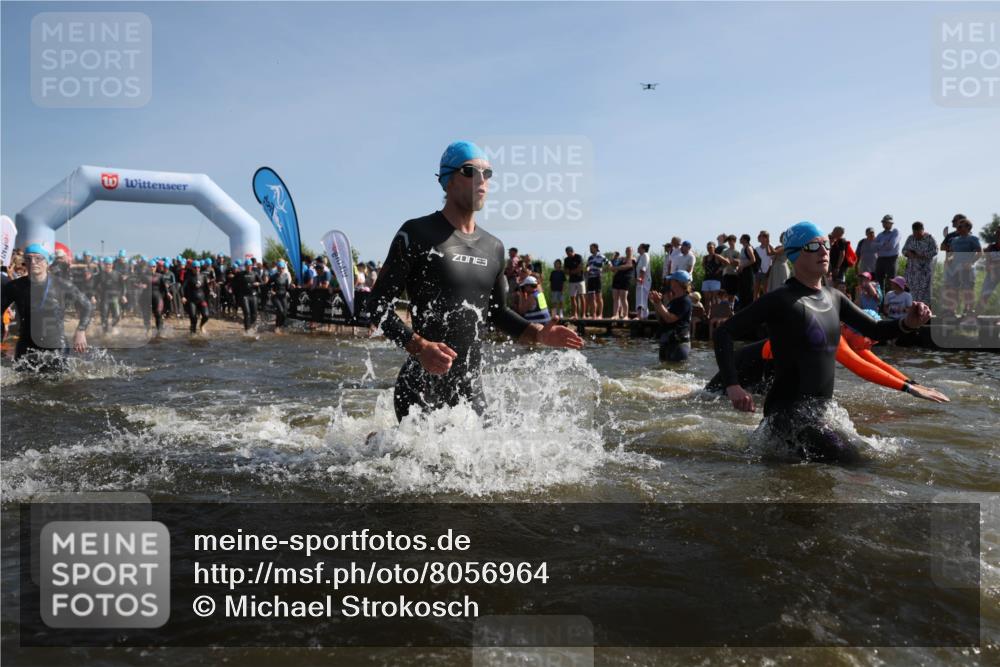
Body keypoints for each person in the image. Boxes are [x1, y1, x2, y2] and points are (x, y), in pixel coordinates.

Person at [365, 140, 584, 422]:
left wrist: (539, 334)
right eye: (470, 171)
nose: (482, 179)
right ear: (447, 181)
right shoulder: (417, 233)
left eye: (487, 173)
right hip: (420, 389)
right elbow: (377, 305)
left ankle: (379, 441)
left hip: (470, 389)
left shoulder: (494, 247)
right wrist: (420, 347)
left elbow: (497, 312)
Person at [714, 221, 933, 463]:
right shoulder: (780, 299)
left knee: (884, 457)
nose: (824, 251)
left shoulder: (834, 297)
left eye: (826, 245)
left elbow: (876, 330)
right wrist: (733, 385)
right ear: (794, 254)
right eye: (813, 246)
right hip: (787, 414)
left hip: (821, 412)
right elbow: (724, 332)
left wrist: (908, 322)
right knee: (854, 463)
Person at [706, 315, 948, 404]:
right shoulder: (833, 336)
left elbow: (876, 364)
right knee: (709, 400)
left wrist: (913, 383)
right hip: (745, 365)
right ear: (849, 329)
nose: (872, 344)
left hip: (770, 369)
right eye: (870, 339)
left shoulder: (852, 339)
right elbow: (860, 368)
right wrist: (908, 389)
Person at [1, 243, 91, 368]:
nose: (33, 262)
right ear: (25, 262)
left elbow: (87, 306)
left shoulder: (62, 285)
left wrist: (80, 331)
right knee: (21, 379)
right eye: (28, 258)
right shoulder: (14, 287)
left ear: (47, 262)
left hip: (56, 346)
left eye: (38, 258)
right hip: (26, 346)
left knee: (60, 379)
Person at [943, 217, 983, 319]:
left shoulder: (973, 239)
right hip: (955, 269)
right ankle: (952, 310)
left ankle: (969, 310)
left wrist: (971, 262)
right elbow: (952, 254)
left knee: (968, 290)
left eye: (961, 226)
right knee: (953, 289)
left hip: (967, 269)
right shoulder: (954, 240)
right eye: (958, 226)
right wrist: (949, 260)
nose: (958, 228)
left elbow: (980, 253)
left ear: (968, 228)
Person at [650, 270, 693, 362]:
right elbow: (662, 318)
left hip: (678, 344)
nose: (670, 283)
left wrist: (659, 303)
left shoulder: (685, 301)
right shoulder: (674, 301)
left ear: (677, 283)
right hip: (668, 342)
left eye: (672, 280)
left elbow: (670, 318)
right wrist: (656, 303)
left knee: (676, 369)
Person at [902, 221, 938, 304]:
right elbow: (903, 250)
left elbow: (935, 251)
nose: (916, 235)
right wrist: (908, 253)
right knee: (911, 294)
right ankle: (912, 309)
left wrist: (921, 255)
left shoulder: (930, 238)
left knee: (924, 295)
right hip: (911, 272)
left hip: (924, 272)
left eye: (918, 233)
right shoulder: (910, 238)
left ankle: (924, 310)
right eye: (914, 233)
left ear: (922, 230)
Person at [182, 260, 211, 334]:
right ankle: (193, 333)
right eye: (195, 267)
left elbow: (207, 289)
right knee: (193, 317)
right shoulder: (189, 277)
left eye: (198, 267)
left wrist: (209, 296)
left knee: (206, 316)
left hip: (202, 299)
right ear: (192, 268)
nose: (197, 269)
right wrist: (183, 296)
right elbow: (182, 288)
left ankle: (201, 326)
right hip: (192, 300)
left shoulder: (203, 276)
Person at [874, 214, 900, 294]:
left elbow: (891, 245)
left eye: (886, 222)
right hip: (880, 259)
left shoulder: (896, 232)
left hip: (891, 259)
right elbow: (873, 247)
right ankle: (880, 300)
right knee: (878, 282)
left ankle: (891, 300)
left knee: (891, 281)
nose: (884, 224)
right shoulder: (880, 235)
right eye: (883, 222)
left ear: (891, 223)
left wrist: (880, 245)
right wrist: (884, 243)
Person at [701, 241, 728, 312]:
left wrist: (720, 269)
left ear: (714, 248)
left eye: (710, 247)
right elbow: (703, 265)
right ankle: (707, 314)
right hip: (706, 279)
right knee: (706, 299)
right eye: (708, 247)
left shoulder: (717, 256)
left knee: (714, 298)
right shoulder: (705, 257)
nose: (709, 249)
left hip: (715, 279)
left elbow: (727, 262)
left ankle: (715, 314)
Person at [977, 235, 1000, 312]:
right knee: (985, 293)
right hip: (992, 272)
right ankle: (975, 314)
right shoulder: (991, 247)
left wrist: (993, 266)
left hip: (994, 269)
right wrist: (992, 270)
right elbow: (987, 263)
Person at [611, 247, 634, 319]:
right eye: (627, 251)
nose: (628, 252)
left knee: (623, 298)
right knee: (615, 298)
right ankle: (615, 315)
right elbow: (613, 268)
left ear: (632, 251)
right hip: (617, 279)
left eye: (629, 251)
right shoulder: (621, 259)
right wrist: (613, 265)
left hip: (625, 279)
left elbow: (627, 266)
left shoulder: (633, 259)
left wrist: (616, 268)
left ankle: (626, 315)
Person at [736, 234, 758, 311]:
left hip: (748, 272)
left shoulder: (748, 248)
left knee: (748, 291)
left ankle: (749, 310)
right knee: (742, 292)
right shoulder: (743, 248)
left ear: (745, 240)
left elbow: (753, 260)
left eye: (741, 238)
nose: (739, 239)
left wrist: (743, 266)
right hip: (742, 273)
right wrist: (739, 267)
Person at [585, 243, 607, 318]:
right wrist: (587, 269)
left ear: (595, 248)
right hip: (590, 278)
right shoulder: (590, 258)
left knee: (598, 297)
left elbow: (609, 264)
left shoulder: (601, 256)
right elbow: (587, 266)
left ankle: (600, 314)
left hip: (597, 278)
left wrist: (603, 270)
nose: (590, 249)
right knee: (592, 297)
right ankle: (594, 314)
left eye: (591, 248)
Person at [564, 246, 585, 319]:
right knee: (572, 298)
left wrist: (571, 272)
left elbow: (580, 268)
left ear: (572, 251)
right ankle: (575, 314)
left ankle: (583, 314)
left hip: (580, 280)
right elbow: (566, 271)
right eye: (566, 253)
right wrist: (574, 271)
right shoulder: (566, 259)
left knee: (582, 296)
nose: (567, 254)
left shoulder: (578, 257)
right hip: (572, 281)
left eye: (568, 253)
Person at [271, 259, 292, 332]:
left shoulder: (286, 276)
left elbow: (287, 287)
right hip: (275, 297)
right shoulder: (274, 276)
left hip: (283, 296)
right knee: (280, 310)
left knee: (284, 313)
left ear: (284, 268)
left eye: (282, 268)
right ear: (277, 268)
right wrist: (271, 291)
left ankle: (280, 326)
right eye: (279, 268)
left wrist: (292, 286)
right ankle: (277, 327)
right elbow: (267, 285)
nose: (281, 270)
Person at [755, 231, 773, 300]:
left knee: (766, 292)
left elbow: (773, 261)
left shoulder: (771, 247)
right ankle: (756, 305)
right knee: (756, 292)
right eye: (759, 236)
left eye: (761, 236)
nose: (759, 237)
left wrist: (768, 271)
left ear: (766, 238)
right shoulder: (756, 249)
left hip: (766, 273)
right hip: (758, 272)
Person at [634, 243, 651, 319]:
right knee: (639, 297)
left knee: (642, 297)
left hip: (644, 280)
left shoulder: (645, 255)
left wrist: (641, 278)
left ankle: (641, 316)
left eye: (639, 247)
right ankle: (643, 315)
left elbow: (644, 268)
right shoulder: (640, 256)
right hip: (640, 280)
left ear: (643, 249)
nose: (637, 248)